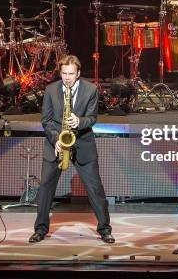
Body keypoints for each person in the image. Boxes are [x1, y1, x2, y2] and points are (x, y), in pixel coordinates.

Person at [29, 55, 114, 244]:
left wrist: (79, 121)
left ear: (78, 73)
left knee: (95, 189)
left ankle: (105, 229)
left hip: (82, 143)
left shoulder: (90, 89)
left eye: (71, 74)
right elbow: (47, 120)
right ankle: (40, 229)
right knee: (45, 189)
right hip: (57, 144)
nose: (67, 78)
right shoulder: (51, 90)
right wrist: (56, 139)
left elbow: (92, 118)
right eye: (64, 73)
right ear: (60, 72)